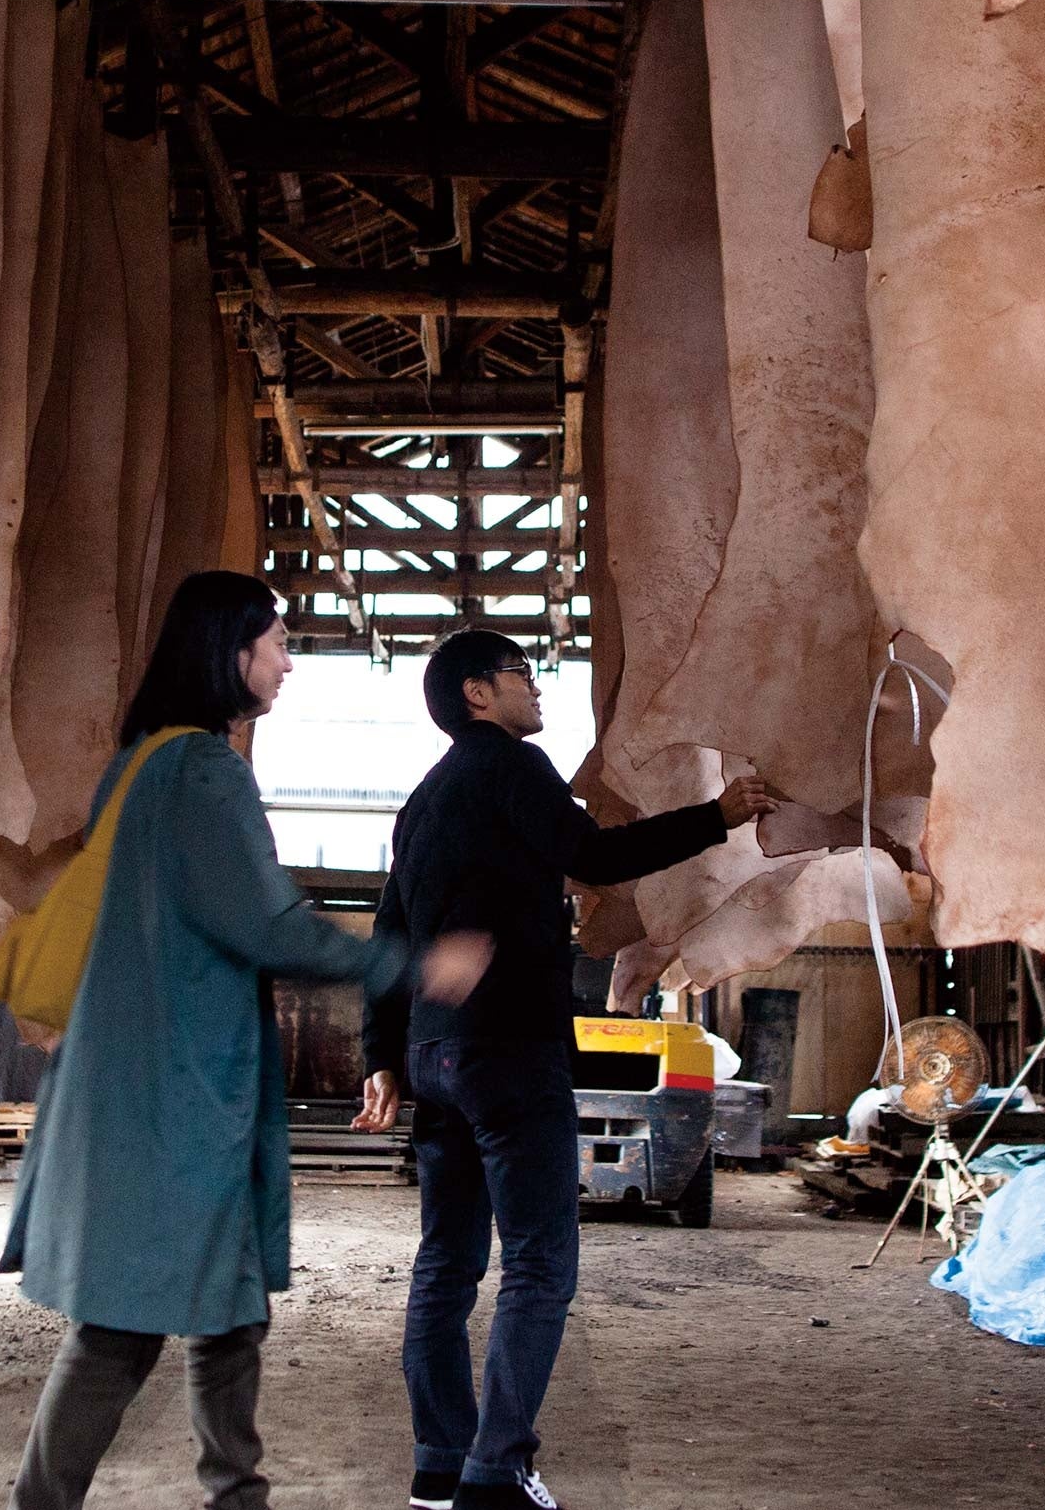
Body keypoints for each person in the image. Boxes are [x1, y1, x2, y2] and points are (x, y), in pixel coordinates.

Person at [0, 571, 492, 1510]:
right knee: (122, 1325)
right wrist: (414, 965)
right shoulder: (203, 771)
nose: (288, 662)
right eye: (277, 643)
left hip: (151, 1075)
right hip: (179, 1090)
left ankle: (236, 1495)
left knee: (227, 1313)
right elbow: (267, 926)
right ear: (230, 652)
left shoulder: (140, 765)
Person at [356, 628, 774, 1510]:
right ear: (477, 694)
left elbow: (391, 934)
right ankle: (497, 1473)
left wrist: (383, 1058)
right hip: (509, 1048)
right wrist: (719, 816)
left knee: (447, 1264)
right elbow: (597, 857)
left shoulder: (421, 801)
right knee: (540, 1263)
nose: (537, 686)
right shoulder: (513, 766)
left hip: (435, 1055)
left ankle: (439, 1466)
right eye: (521, 672)